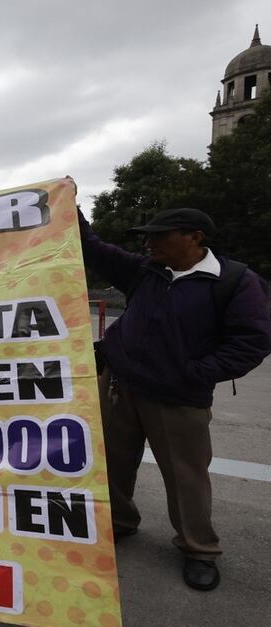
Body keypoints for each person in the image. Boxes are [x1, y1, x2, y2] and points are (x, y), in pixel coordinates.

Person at [78, 205, 271, 591]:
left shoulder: (233, 281)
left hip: (178, 398)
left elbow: (252, 341)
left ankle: (199, 549)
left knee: (186, 477)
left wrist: (194, 373)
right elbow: (91, 247)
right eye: (147, 236)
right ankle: (119, 523)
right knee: (111, 464)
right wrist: (71, 204)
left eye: (160, 236)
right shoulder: (145, 270)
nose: (149, 243)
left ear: (195, 237)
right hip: (119, 388)